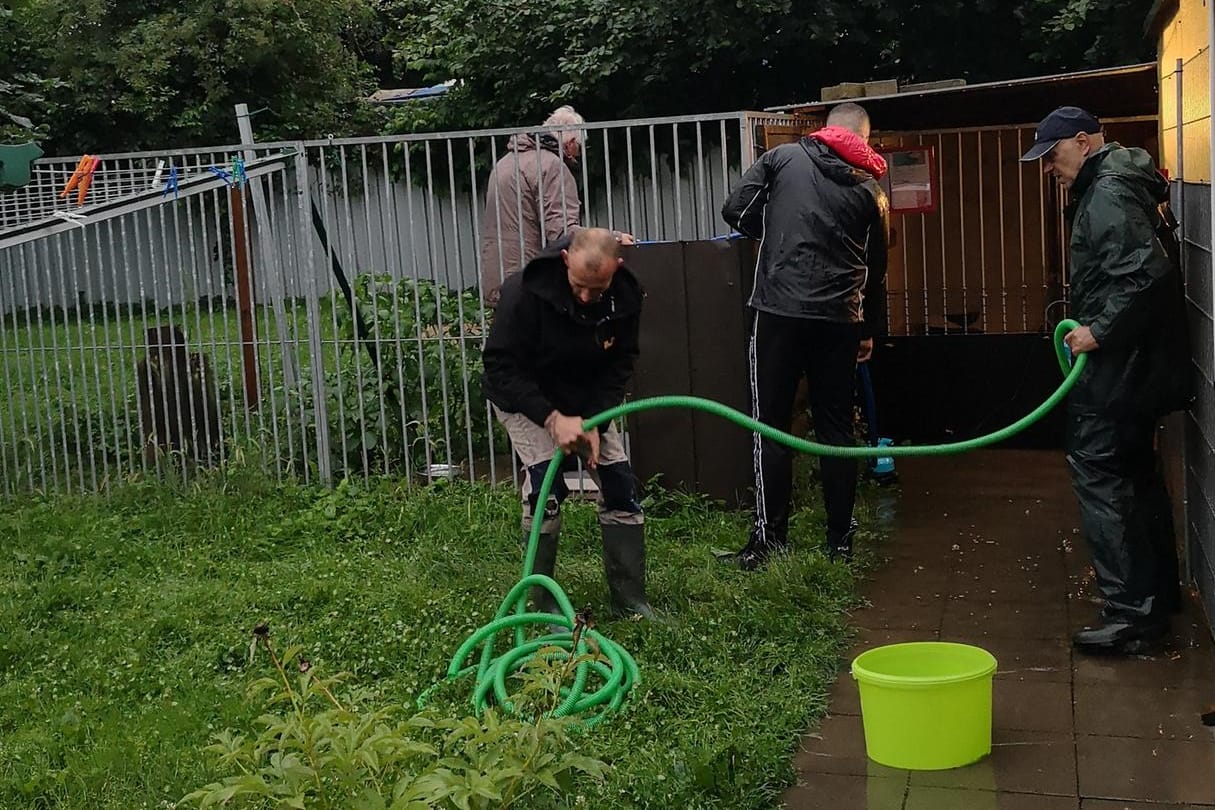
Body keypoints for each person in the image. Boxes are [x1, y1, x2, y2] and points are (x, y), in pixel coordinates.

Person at [1020, 106, 1190, 655]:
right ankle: (1156, 598)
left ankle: (1130, 616)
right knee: (1137, 477)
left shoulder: (1109, 193)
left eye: (1053, 155)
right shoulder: (1120, 181)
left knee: (1100, 475)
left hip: (1121, 368)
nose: (1048, 167)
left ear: (1083, 143)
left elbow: (1145, 272)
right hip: (1140, 367)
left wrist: (1099, 331)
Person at [720, 102, 890, 570]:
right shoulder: (872, 190)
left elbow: (734, 209)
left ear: (825, 130)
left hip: (778, 311)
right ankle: (839, 541)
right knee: (836, 430)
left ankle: (769, 540)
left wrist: (773, 232)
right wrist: (869, 330)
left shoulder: (782, 159)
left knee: (769, 426)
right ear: (863, 138)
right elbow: (877, 271)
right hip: (840, 321)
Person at [481, 226, 655, 620]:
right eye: (579, 285)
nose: (586, 297)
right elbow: (501, 368)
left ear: (617, 267)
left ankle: (632, 604)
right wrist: (552, 419)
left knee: (619, 486)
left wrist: (592, 420)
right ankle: (541, 610)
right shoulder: (522, 293)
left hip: (582, 399)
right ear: (564, 262)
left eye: (598, 288)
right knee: (547, 485)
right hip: (524, 398)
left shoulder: (626, 295)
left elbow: (620, 363)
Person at [479, 105, 632, 306]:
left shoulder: (505, 163)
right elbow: (562, 232)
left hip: (499, 274)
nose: (576, 155)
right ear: (569, 143)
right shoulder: (551, 166)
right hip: (532, 278)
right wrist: (612, 238)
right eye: (578, 148)